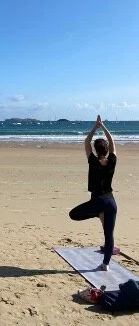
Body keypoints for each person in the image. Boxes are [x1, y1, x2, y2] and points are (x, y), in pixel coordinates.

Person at [69, 115, 117, 271]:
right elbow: (113, 142)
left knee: (74, 214)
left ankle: (97, 213)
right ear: (107, 149)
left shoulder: (93, 161)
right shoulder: (112, 161)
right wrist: (103, 127)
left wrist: (95, 127)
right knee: (108, 235)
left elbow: (86, 142)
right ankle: (106, 264)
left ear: (96, 150)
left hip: (98, 201)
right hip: (111, 202)